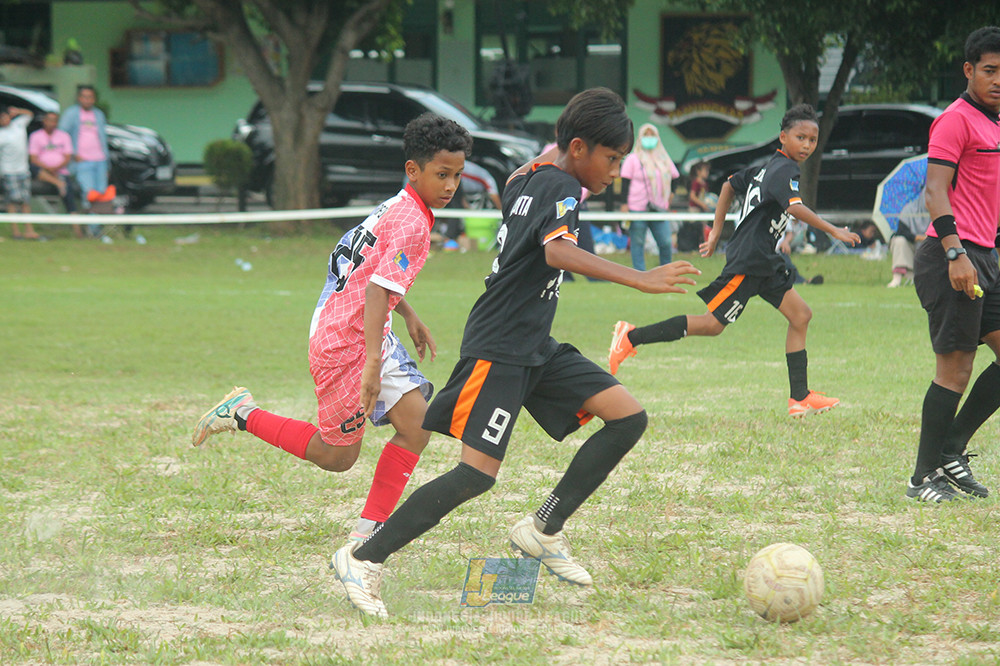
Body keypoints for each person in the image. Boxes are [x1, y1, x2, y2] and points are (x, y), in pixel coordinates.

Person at [331, 88, 699, 617]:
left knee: (626, 417)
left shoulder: (526, 175)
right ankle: (364, 558)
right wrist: (639, 278)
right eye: (612, 158)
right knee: (475, 474)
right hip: (502, 343)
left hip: (534, 342)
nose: (616, 171)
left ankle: (543, 529)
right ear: (577, 147)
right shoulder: (565, 185)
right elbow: (556, 251)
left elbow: (530, 189)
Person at [191, 113, 472, 541]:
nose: (451, 186)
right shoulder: (413, 222)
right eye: (442, 175)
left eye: (457, 175)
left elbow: (363, 269)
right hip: (344, 341)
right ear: (412, 170)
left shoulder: (399, 205)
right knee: (337, 457)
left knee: (417, 425)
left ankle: (368, 535)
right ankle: (242, 413)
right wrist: (373, 362)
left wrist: (407, 312)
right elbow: (376, 290)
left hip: (352, 325)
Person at [609, 104, 860, 417]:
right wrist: (833, 229)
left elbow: (729, 184)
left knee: (801, 316)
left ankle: (800, 398)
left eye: (812, 139)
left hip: (765, 260)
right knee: (712, 325)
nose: (807, 145)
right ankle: (630, 336)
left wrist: (716, 232)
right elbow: (794, 208)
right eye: (801, 137)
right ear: (783, 137)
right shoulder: (785, 171)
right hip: (749, 261)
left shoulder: (764, 168)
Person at [905, 26, 1000, 503]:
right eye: (990, 70)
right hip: (952, 257)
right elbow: (936, 190)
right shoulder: (955, 120)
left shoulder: (996, 124)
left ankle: (951, 447)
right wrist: (954, 252)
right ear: (969, 70)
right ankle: (922, 476)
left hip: (988, 256)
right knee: (955, 370)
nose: (998, 79)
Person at [620, 123, 679, 270]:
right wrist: (624, 205)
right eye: (646, 135)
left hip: (659, 207)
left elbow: (675, 176)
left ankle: (666, 271)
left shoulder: (664, 158)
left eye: (652, 135)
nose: (649, 138)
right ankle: (639, 274)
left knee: (665, 241)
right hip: (637, 207)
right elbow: (624, 183)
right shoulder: (632, 159)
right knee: (638, 242)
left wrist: (671, 195)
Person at [59, 85, 110, 212]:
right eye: (84, 97)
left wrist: (107, 162)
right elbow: (62, 135)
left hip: (100, 160)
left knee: (101, 195)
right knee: (89, 194)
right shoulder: (71, 114)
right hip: (82, 161)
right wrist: (73, 153)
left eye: (90, 97)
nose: (87, 100)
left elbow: (102, 137)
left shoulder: (99, 114)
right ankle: (93, 229)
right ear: (79, 98)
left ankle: (99, 229)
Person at [29, 111, 80, 228]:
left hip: (60, 172)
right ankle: (58, 183)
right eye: (50, 120)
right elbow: (33, 158)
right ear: (44, 121)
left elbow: (67, 157)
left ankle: (77, 229)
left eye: (55, 121)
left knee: (69, 196)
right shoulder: (36, 136)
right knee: (33, 167)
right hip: (42, 172)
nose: (52, 123)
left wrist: (55, 168)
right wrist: (49, 168)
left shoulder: (64, 136)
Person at [0, 105, 40, 240]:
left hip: (23, 170)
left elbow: (30, 114)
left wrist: (18, 111)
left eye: (4, 116)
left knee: (25, 201)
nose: (3, 120)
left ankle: (29, 230)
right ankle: (16, 231)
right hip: (9, 171)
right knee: (12, 201)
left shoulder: (19, 124)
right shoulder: (1, 134)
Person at [887, 193, 927, 287]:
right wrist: (920, 238)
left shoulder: (940, 210)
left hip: (929, 248)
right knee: (899, 241)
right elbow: (901, 232)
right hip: (912, 247)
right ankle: (897, 277)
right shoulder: (909, 209)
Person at [680, 161, 714, 251]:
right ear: (698, 172)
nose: (707, 173)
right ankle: (691, 246)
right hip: (694, 208)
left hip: (702, 209)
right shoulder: (696, 183)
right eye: (705, 171)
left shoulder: (705, 184)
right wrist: (702, 204)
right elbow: (692, 196)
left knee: (704, 228)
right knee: (693, 227)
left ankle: (703, 245)